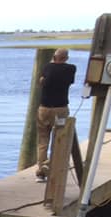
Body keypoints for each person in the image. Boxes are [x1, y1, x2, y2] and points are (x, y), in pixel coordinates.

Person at [36, 48, 76, 182]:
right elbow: (69, 81)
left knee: (42, 141)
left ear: (54, 56)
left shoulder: (47, 67)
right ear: (66, 58)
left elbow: (41, 81)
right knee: (59, 139)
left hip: (44, 108)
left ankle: (41, 172)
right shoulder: (71, 68)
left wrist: (51, 63)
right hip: (60, 109)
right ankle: (50, 165)